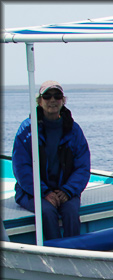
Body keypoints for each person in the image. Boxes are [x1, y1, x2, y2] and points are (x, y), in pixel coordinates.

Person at [12, 80, 91, 241]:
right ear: (39, 101)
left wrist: (68, 191)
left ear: (63, 100)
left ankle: (75, 254)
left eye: (57, 96)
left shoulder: (73, 130)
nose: (52, 100)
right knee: (47, 211)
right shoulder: (27, 129)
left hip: (65, 190)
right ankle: (53, 254)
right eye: (47, 96)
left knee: (70, 212)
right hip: (31, 192)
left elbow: (82, 166)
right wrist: (43, 192)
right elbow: (21, 167)